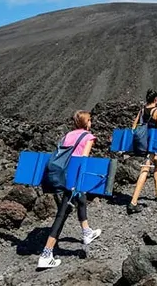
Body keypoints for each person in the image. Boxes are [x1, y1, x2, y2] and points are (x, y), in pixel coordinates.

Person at [38, 111, 102, 269]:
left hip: (63, 175)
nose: (91, 122)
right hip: (73, 178)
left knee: (81, 198)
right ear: (86, 122)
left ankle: (86, 232)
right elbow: (83, 161)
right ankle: (46, 254)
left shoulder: (68, 135)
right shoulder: (88, 137)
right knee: (63, 213)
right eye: (89, 120)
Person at [127, 89, 157, 214]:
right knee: (145, 169)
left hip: (142, 143)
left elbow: (134, 126)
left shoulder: (142, 110)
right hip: (151, 144)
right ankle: (133, 202)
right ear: (156, 99)